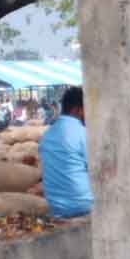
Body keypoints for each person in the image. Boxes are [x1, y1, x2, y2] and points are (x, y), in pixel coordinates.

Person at [38, 86, 92, 218]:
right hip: (84, 205)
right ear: (77, 109)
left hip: (55, 207)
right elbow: (96, 169)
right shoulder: (83, 133)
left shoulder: (47, 135)